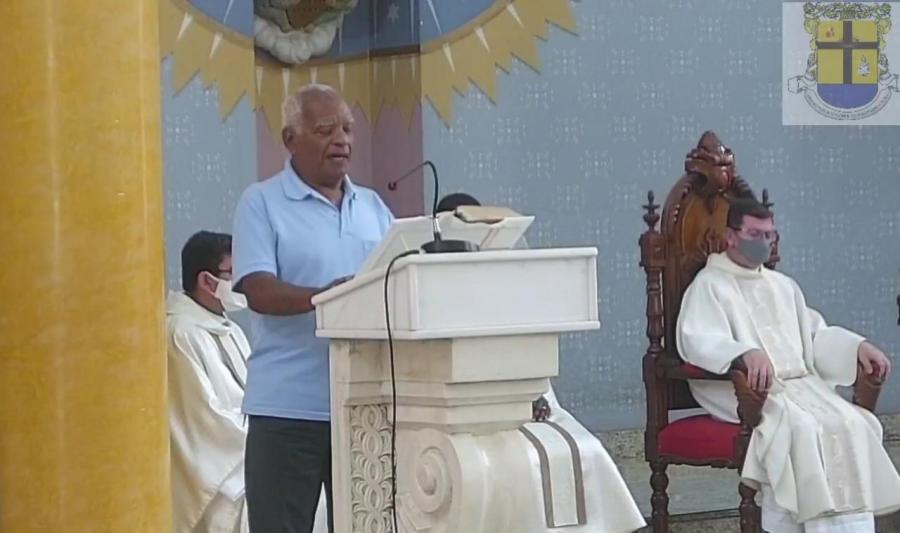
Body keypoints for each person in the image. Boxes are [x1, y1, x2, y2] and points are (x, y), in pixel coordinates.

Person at [676, 197, 900, 533]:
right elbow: (698, 338)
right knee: (801, 428)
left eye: (769, 235)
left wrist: (857, 346)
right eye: (755, 234)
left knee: (855, 422)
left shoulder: (783, 286)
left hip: (802, 386)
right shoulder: (709, 285)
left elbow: (814, 336)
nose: (764, 242)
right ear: (731, 236)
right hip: (752, 390)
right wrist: (744, 353)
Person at [232, 84, 393, 532]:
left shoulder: (373, 207)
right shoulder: (261, 202)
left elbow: (398, 281)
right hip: (288, 409)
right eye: (325, 130)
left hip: (365, 408)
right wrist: (329, 298)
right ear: (290, 139)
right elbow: (258, 289)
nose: (341, 140)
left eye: (348, 129)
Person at [434, 193, 646, 533]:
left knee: (585, 449)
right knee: (513, 468)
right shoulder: (426, 294)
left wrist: (536, 398)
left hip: (522, 405)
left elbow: (524, 355)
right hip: (460, 416)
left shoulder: (500, 288)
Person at [166, 231, 251, 532]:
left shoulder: (231, 329)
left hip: (249, 455)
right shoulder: (179, 332)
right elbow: (201, 419)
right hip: (223, 475)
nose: (244, 282)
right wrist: (265, 439)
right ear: (207, 281)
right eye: (235, 272)